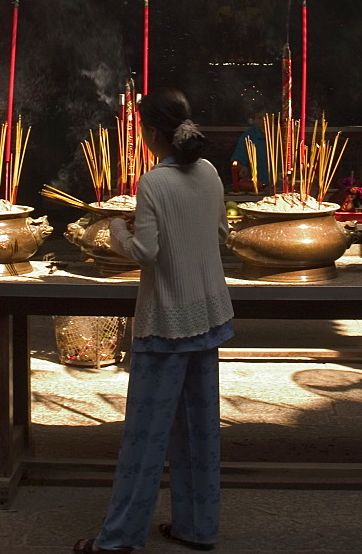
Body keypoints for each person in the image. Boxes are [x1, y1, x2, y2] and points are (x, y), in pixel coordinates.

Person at [74, 89, 234, 554]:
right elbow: (221, 231)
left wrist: (116, 227)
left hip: (166, 320)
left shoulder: (153, 183)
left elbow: (146, 253)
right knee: (200, 429)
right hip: (208, 314)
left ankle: (119, 539)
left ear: (149, 133)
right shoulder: (208, 173)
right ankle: (198, 527)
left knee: (145, 437)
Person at [231, 104, 268, 185]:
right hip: (257, 185)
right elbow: (237, 160)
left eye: (266, 117)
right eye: (259, 118)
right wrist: (241, 168)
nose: (263, 121)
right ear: (254, 120)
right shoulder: (249, 136)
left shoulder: (281, 134)